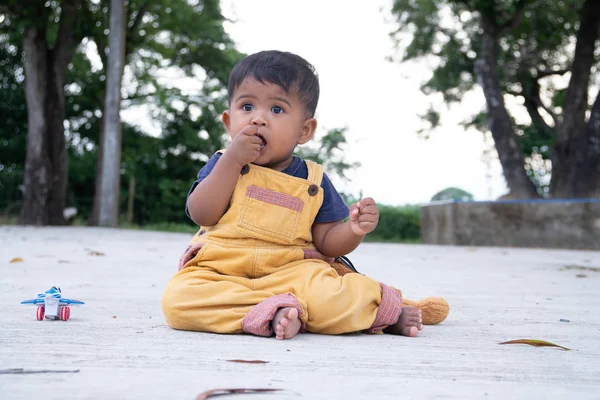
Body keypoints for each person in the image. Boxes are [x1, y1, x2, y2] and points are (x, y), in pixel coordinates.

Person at [161, 50, 423, 340]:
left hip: (293, 273)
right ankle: (273, 312)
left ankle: (386, 313)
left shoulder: (313, 179)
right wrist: (232, 162)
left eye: (276, 110)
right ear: (228, 122)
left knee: (332, 292)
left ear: (304, 129)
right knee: (178, 300)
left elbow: (327, 243)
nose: (258, 119)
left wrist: (353, 229)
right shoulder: (223, 162)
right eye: (246, 106)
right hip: (222, 270)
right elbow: (202, 214)